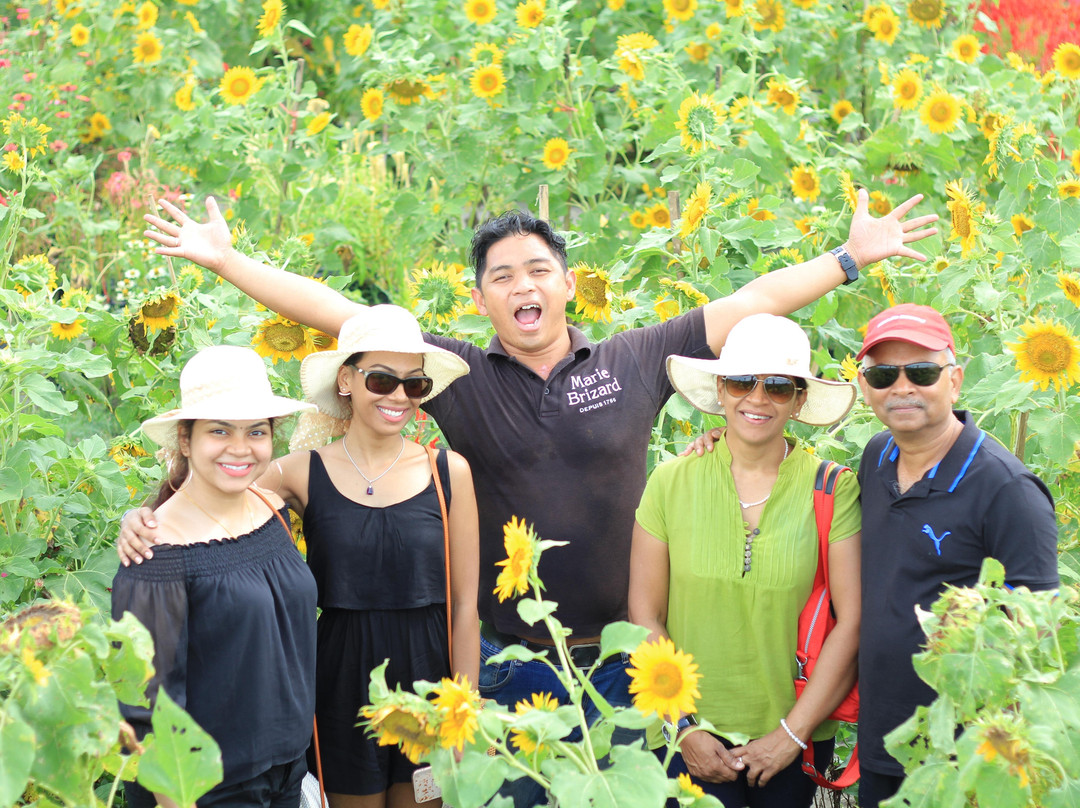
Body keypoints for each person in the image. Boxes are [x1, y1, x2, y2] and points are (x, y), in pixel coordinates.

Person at [129, 190, 935, 807]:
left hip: (627, 659)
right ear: (481, 300)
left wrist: (850, 257)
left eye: (538, 269)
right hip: (510, 664)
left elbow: (751, 303)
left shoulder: (633, 359)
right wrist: (228, 262)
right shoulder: (462, 378)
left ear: (568, 284)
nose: (523, 284)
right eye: (501, 275)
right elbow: (343, 318)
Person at [120, 306, 481, 808]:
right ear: (347, 381)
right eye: (381, 379)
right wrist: (142, 518)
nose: (398, 395)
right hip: (338, 682)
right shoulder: (297, 473)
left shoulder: (448, 473)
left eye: (414, 385)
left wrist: (464, 706)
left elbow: (466, 605)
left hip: (429, 676)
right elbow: (212, 494)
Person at [628, 313, 861, 808]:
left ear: (800, 399)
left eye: (778, 386)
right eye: (741, 382)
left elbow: (852, 621)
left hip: (795, 739)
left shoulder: (833, 488)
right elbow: (645, 616)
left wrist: (791, 735)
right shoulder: (670, 482)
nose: (756, 398)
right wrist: (684, 726)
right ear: (720, 388)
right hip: (686, 737)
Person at [853, 303, 1060, 808]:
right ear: (865, 387)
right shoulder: (876, 456)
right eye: (882, 375)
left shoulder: (1006, 489)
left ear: (955, 380)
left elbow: (1040, 627)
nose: (901, 387)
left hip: (964, 753)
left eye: (921, 371)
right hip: (886, 737)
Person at [112, 346, 319, 808]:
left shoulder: (270, 508)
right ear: (185, 440)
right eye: (219, 430)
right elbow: (146, 708)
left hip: (287, 766)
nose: (240, 448)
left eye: (256, 431)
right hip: (209, 788)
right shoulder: (156, 552)